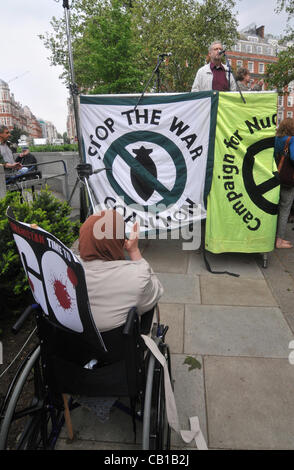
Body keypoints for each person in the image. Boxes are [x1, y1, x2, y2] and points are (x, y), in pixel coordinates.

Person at [78, 209, 163, 333]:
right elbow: (157, 291)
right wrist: (134, 251)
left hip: (74, 345)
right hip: (119, 349)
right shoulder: (136, 278)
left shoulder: (66, 268)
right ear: (118, 241)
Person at [274, 117, 294, 249]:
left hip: (276, 177)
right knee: (285, 208)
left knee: (275, 208)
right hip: (288, 179)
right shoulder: (291, 140)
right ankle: (279, 240)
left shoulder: (276, 139)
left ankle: (272, 235)